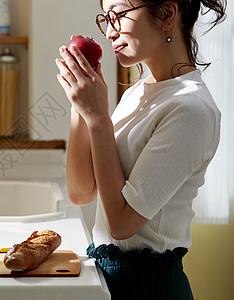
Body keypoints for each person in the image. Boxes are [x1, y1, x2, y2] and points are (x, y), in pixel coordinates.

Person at [55, 0, 226, 299]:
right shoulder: (137, 93)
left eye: (119, 15)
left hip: (149, 286)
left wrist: (97, 118)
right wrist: (80, 104)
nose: (109, 32)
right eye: (106, 18)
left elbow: (122, 224)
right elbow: (81, 192)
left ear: (166, 15)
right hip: (107, 278)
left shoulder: (191, 109)